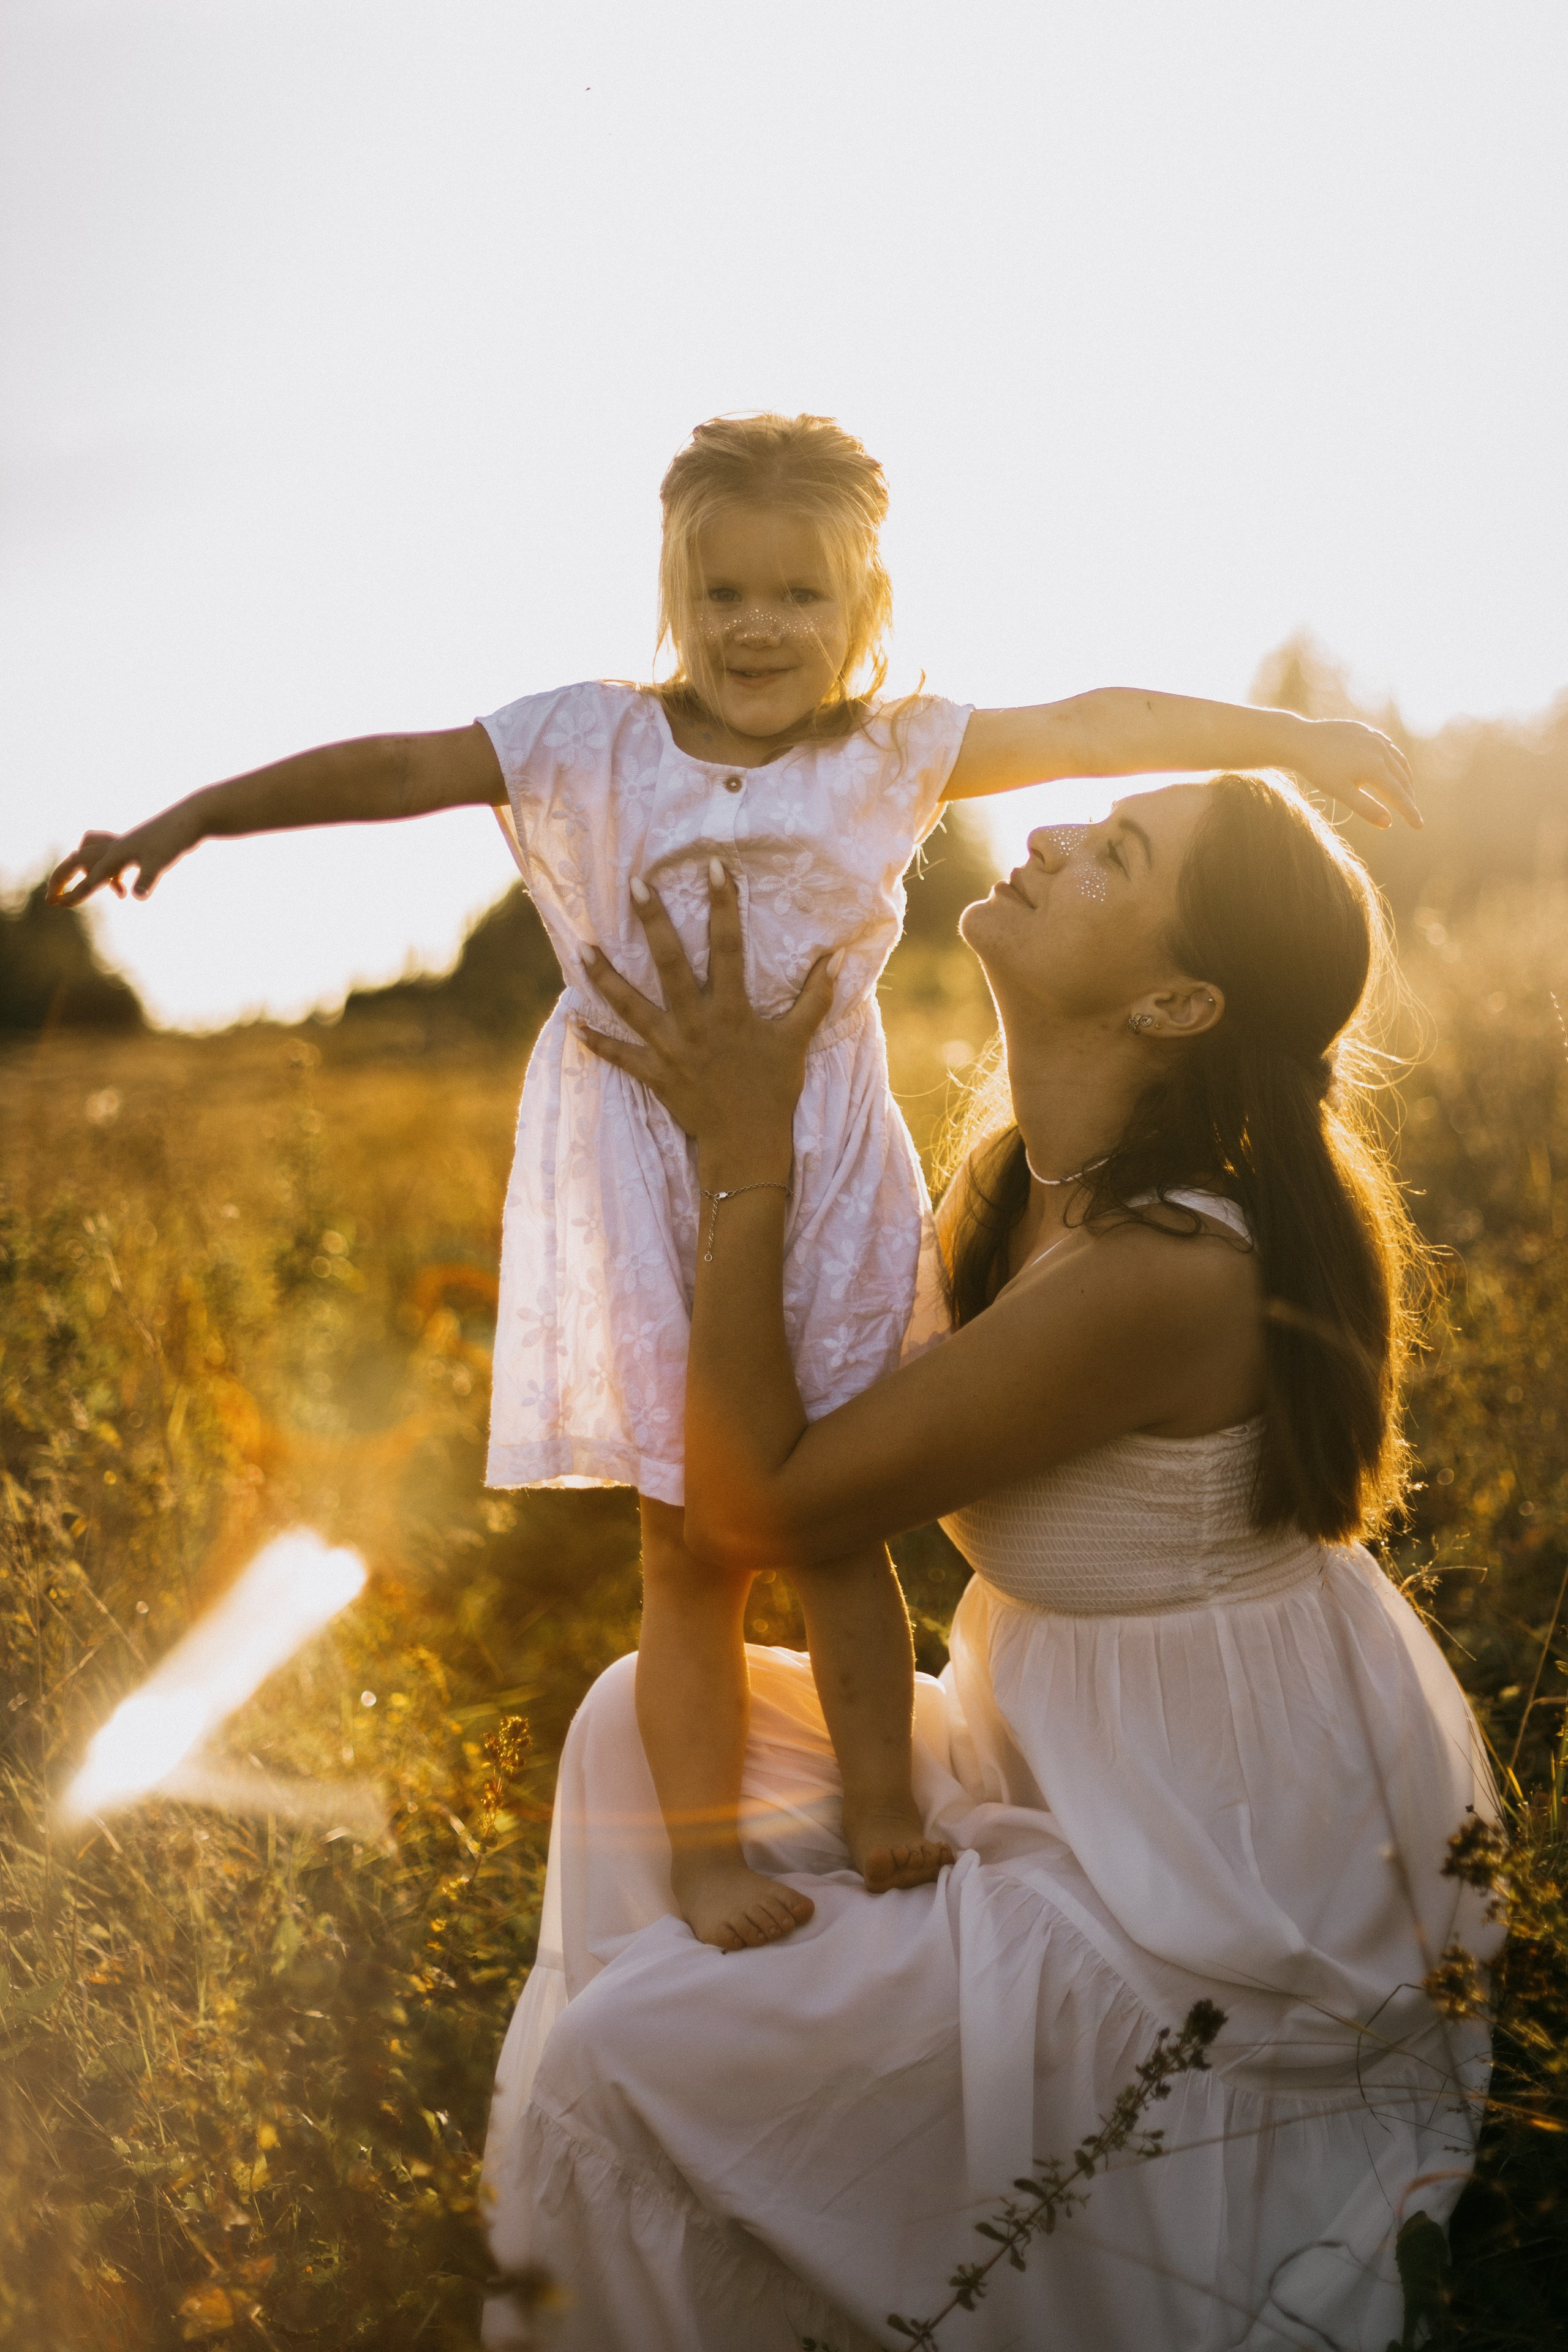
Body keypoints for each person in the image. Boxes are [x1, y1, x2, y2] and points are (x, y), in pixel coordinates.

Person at [48, 412, 1422, 1958]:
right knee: (686, 1546)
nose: (756, 628)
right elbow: (395, 766)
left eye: (799, 597)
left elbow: (1097, 718)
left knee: (838, 1518)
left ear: (864, 615)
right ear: (672, 596)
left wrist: (1290, 742)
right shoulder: (590, 740)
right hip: (645, 1165)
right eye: (722, 595)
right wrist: (193, 816)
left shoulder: (888, 752)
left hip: (815, 1165)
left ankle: (883, 1808)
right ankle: (700, 1861)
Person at [479, 774, 1499, 2352]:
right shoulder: (1011, 1184)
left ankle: (726, 2151)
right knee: (637, 1729)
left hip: (1205, 1874)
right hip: (1062, 1761)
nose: (1040, 840)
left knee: (627, 2050)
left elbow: (770, 1507)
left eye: (1114, 855)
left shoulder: (1166, 1270)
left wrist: (744, 1149)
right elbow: (764, 1466)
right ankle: (760, 2225)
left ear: (1177, 998)